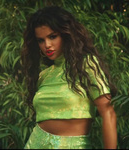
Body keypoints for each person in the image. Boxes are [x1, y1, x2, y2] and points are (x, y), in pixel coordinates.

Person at [21, 6, 117, 149]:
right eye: (41, 40)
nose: (47, 45)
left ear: (66, 34)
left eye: (52, 36)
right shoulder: (44, 76)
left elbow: (108, 112)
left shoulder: (86, 65)